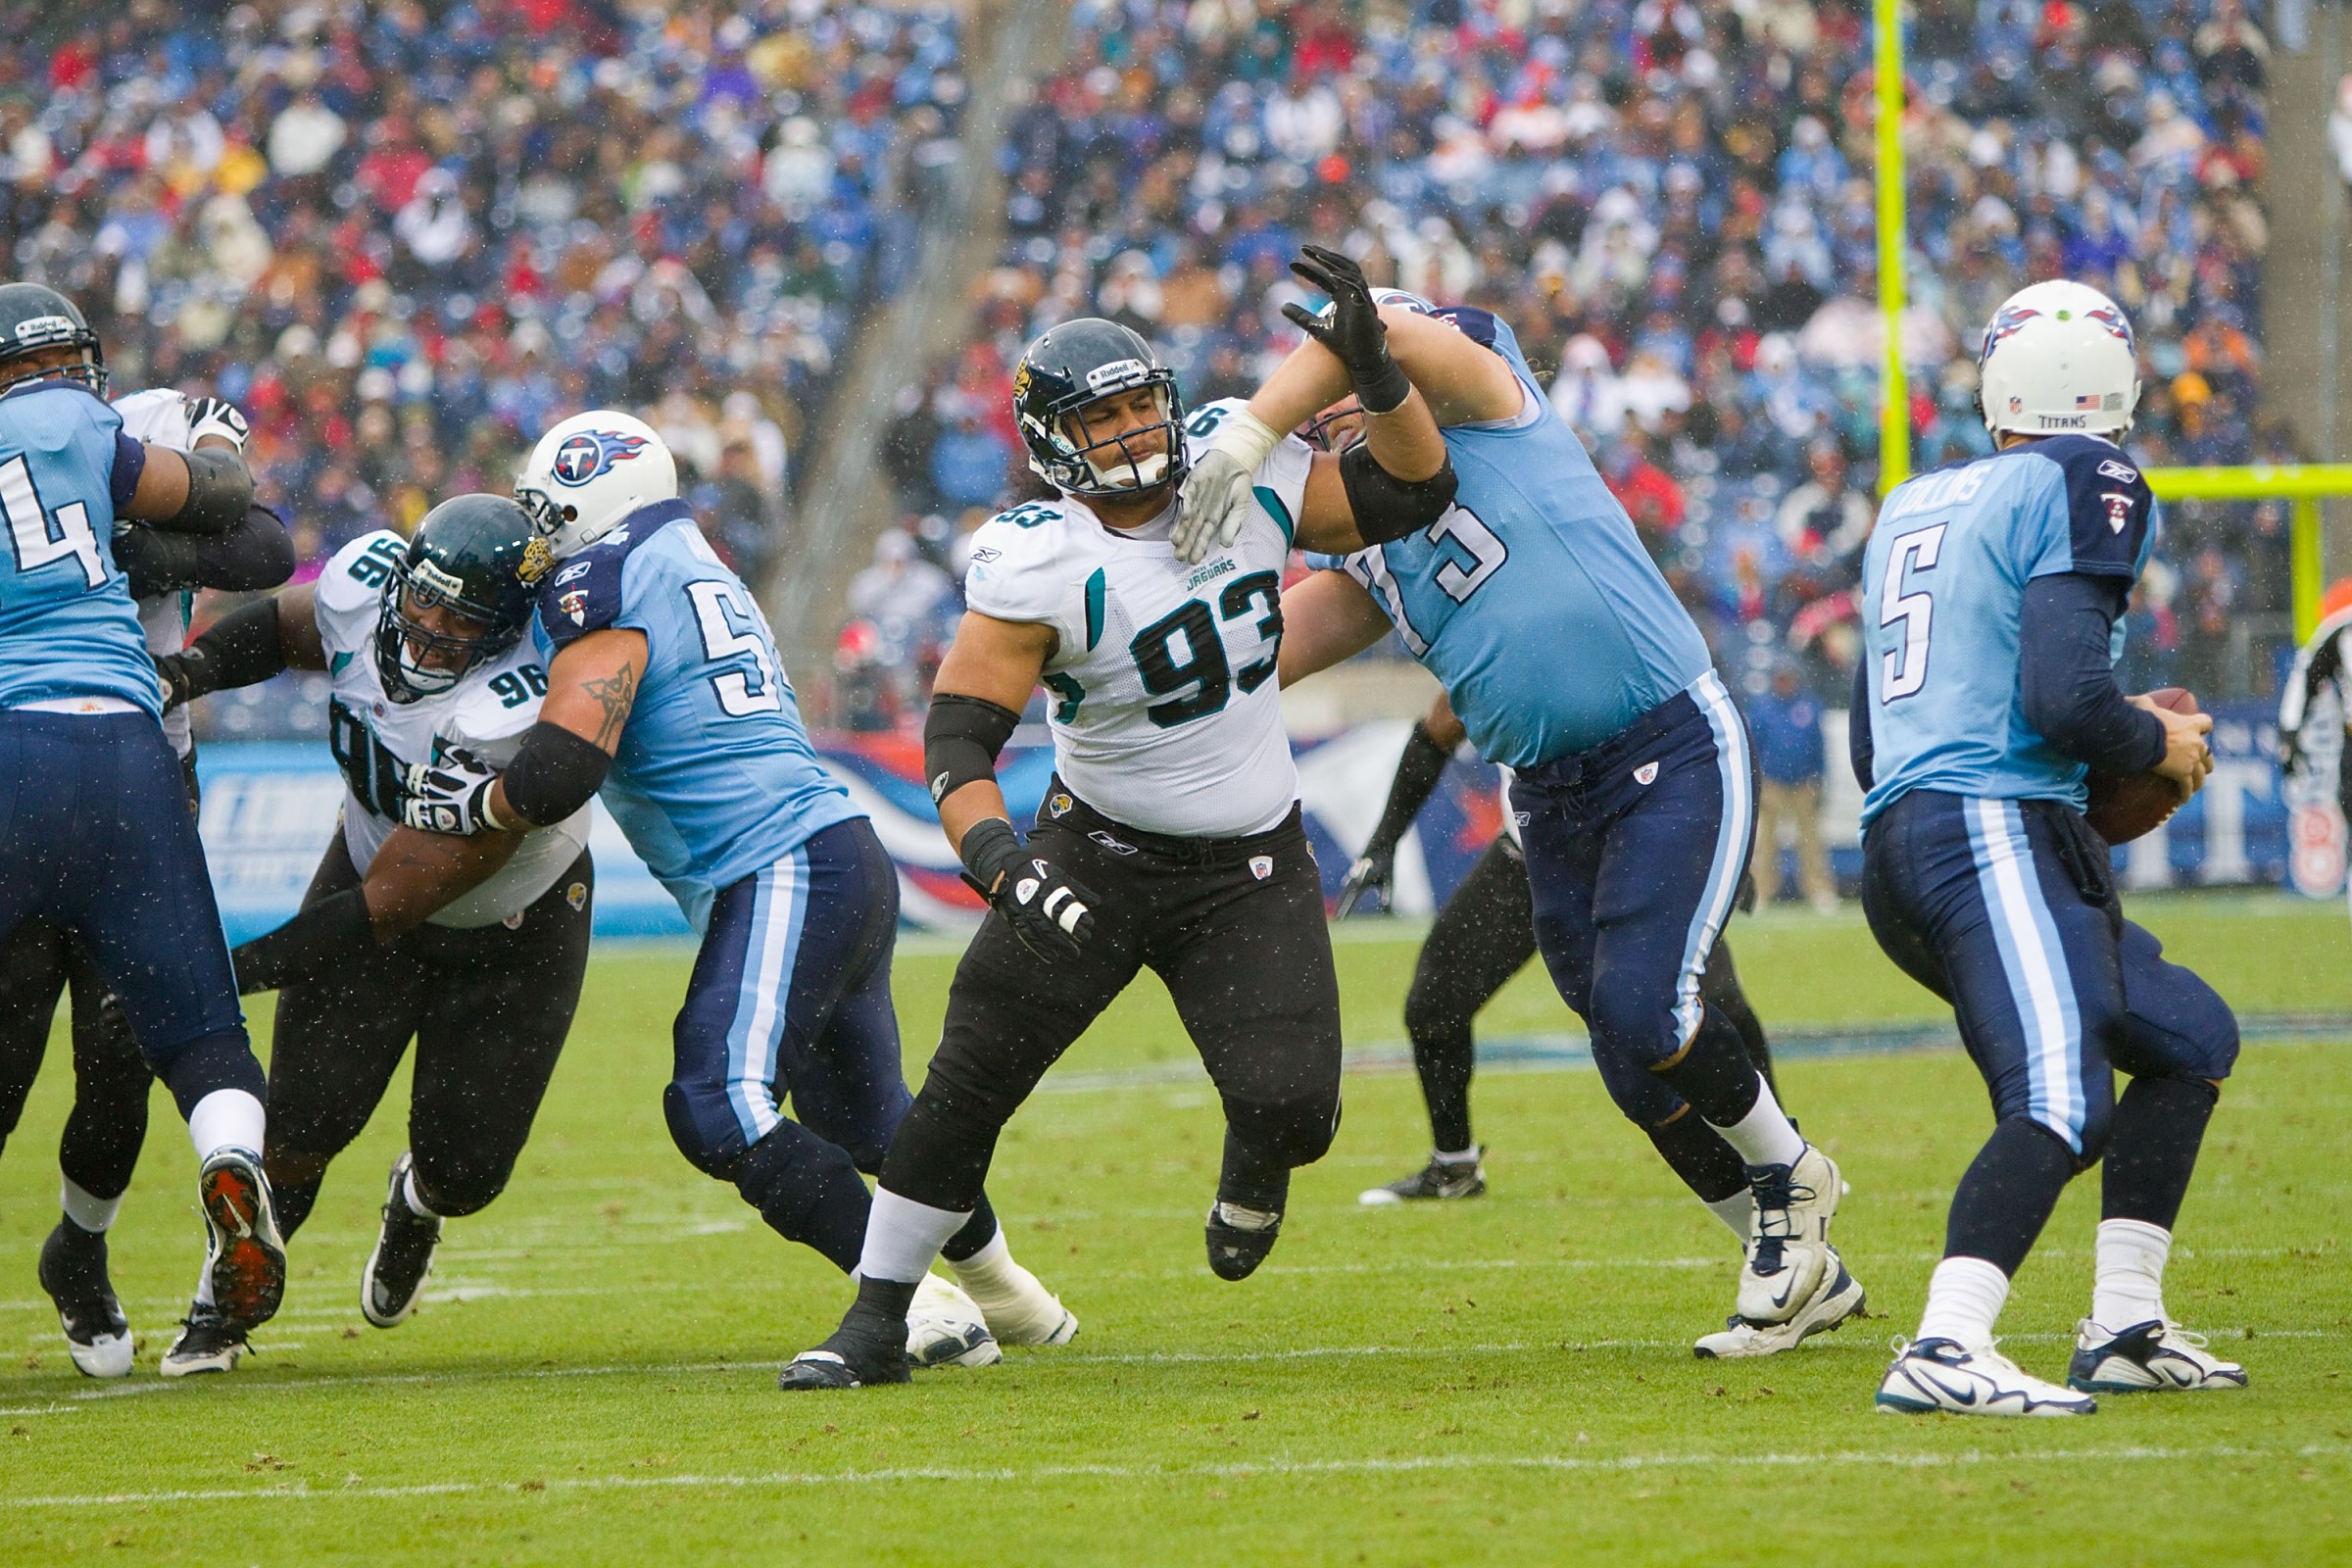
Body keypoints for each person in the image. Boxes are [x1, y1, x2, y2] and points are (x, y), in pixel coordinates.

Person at [773, 258, 1464, 1392]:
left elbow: (1413, 493)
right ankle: (878, 1319)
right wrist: (1002, 865)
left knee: (1297, 1110)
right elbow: (956, 743)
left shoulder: (1250, 467)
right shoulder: (1040, 558)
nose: (1136, 430)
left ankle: (1256, 1151)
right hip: (1094, 852)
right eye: (1104, 416)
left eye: (1145, 402)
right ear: (1052, 438)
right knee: (966, 1082)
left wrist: (1381, 375)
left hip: (1249, 865)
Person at [1220, 261, 1864, 1359]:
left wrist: (1249, 427)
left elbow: (1384, 340)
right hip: (1550, 797)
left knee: (1648, 1006)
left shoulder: (1496, 408)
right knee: (1626, 1053)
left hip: (1663, 741)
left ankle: (1796, 1184)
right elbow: (1248, 654)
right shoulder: (1369, 543)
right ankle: (1790, 1257)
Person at [398, 412, 1065, 1371]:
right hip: (830, 851)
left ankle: (915, 1302)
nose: (539, 541)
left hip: (781, 859)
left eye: (550, 517)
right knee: (868, 1120)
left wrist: (479, 802)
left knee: (718, 1100)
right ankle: (1017, 1298)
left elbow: (558, 766)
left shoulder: (602, 574)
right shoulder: (684, 554)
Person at [1857, 281, 2245, 1415]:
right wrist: (2154, 744)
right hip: (1987, 830)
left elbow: (1867, 731)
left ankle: (2125, 1319)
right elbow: (2068, 697)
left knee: (2186, 1036)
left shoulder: (1912, 500)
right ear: (2115, 386)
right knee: (2060, 1097)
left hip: (1918, 833)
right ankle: (1944, 1345)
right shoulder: (2093, 473)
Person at [141, 495, 595, 1374]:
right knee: (301, 1128)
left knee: (467, 1173)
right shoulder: (364, 580)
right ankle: (221, 1310)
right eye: (421, 598)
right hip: (365, 864)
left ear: (504, 631)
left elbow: (389, 903)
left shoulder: (515, 706)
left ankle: (416, 1201)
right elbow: (281, 630)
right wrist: (185, 675)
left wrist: (218, 977)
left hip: (508, 921)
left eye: (459, 619)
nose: (425, 627)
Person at [0, 280, 288, 1357]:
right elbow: (224, 509)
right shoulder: (88, 424)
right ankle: (228, 1154)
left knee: (114, 1057)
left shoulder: (150, 415)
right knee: (150, 1027)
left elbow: (265, 546)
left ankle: (80, 1246)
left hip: (70, 752)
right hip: (122, 756)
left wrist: (148, 555)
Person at [1336, 689, 1783, 1208]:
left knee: (1716, 1000)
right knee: (1434, 1005)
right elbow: (1437, 729)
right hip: (1528, 856)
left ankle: (1782, 1157)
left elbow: (1697, 717)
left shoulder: (1611, 643)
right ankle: (1453, 1167)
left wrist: (1717, 833)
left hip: (1629, 850)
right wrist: (1383, 841)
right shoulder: (1487, 654)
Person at [1746, 662, 1837, 911]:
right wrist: (1757, 782)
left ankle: (1819, 890)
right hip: (1772, 783)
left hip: (1804, 783)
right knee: (1765, 843)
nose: (1785, 683)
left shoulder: (1809, 706)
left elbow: (1818, 744)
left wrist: (1819, 776)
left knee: (1811, 843)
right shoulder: (1763, 708)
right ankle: (1761, 892)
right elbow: (1755, 746)